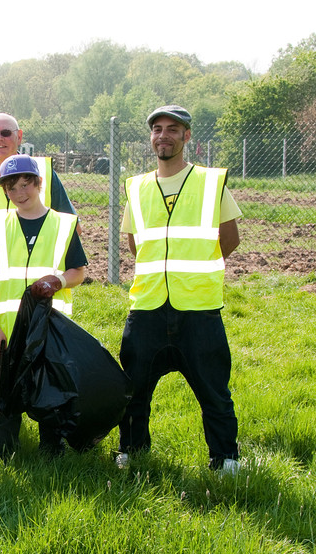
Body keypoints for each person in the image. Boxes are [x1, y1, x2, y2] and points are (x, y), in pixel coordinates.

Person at [115, 105, 242, 476]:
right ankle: (132, 449)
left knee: (214, 390)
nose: (164, 135)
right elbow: (135, 245)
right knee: (133, 388)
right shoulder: (137, 188)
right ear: (150, 137)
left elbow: (229, 239)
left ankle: (226, 460)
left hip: (199, 307)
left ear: (187, 137)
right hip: (148, 304)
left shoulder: (209, 182)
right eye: (157, 129)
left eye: (173, 129)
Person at [0, 113, 80, 402]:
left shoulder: (46, 172)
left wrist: (60, 276)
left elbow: (68, 220)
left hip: (39, 284)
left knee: (43, 350)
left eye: (6, 132)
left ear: (19, 136)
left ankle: (44, 408)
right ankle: (3, 409)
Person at [0, 154, 87, 456]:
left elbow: (78, 271)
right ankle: (5, 452)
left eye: (26, 185)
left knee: (49, 388)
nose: (19, 193)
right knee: (7, 394)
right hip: (10, 328)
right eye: (12, 188)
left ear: (39, 184)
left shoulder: (64, 225)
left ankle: (52, 450)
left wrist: (59, 281)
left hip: (50, 328)